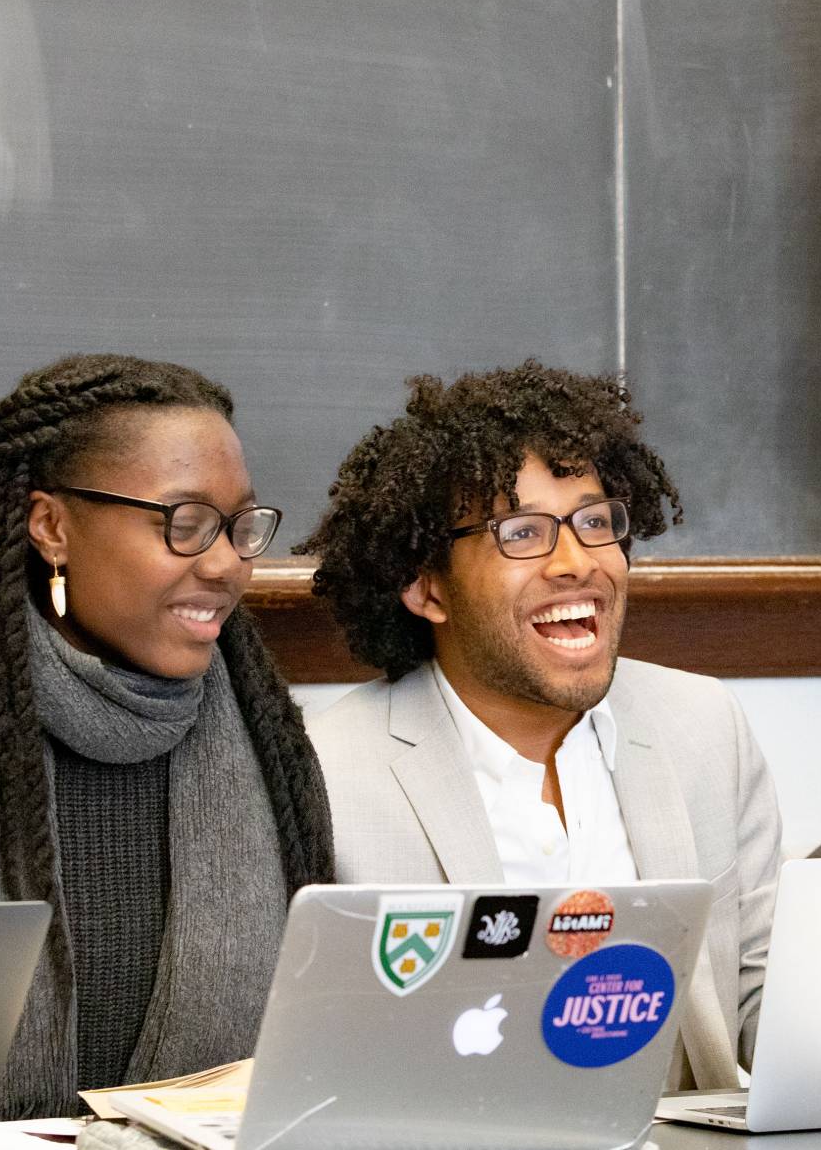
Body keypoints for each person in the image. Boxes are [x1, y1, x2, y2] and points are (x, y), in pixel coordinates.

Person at [0, 354, 333, 1118]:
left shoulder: (279, 768)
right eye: (186, 523)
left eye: (239, 527)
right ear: (52, 527)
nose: (228, 563)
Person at [298, 361, 781, 1091]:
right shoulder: (327, 775)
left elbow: (764, 999)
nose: (575, 561)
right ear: (429, 587)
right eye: (522, 532)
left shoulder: (705, 727)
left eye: (593, 521)